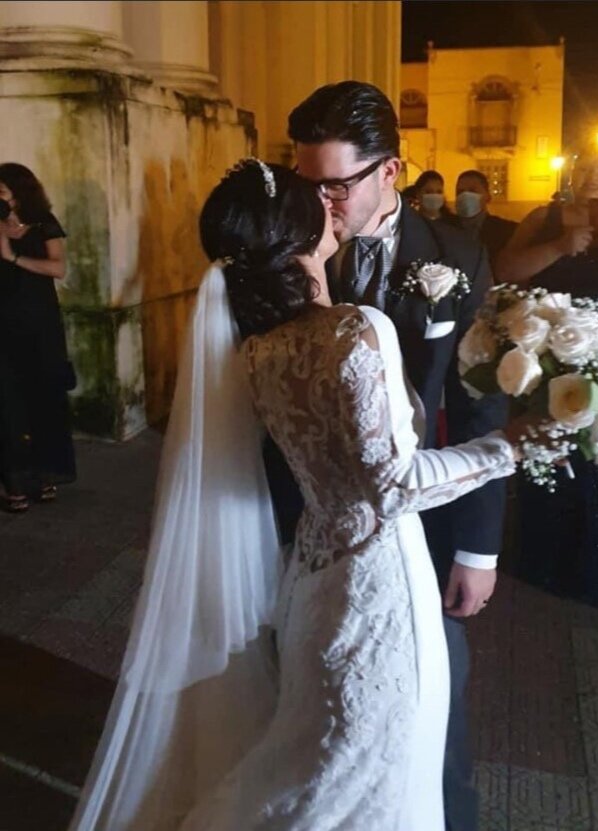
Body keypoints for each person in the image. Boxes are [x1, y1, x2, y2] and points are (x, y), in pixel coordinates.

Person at [68, 159, 520, 831]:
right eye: (316, 199)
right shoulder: (356, 329)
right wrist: (515, 446)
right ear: (295, 230)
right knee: (373, 778)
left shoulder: (259, 351)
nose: (331, 206)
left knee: (319, 760)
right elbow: (393, 486)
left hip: (312, 581)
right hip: (380, 593)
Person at [287, 81, 508, 831]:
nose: (319, 204)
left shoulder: (458, 257)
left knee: (434, 706)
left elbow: (481, 404)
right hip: (315, 521)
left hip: (422, 516)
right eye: (306, 184)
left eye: (335, 186)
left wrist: (478, 548)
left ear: (390, 170)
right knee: (319, 706)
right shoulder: (290, 251)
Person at [497, 143, 598, 608]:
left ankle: (592, 569)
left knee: (591, 461)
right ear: (571, 174)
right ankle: (539, 561)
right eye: (586, 168)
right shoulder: (542, 219)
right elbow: (503, 271)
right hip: (543, 356)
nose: (595, 177)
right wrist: (558, 247)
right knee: (543, 453)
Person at [0, 162, 75, 512]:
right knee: (7, 403)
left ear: (19, 192)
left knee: (43, 397)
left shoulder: (45, 223)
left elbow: (58, 268)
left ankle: (44, 476)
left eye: (2, 191)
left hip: (39, 325)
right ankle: (14, 482)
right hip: (4, 326)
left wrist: (13, 257)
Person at [454, 169, 517, 278]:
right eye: (460, 192)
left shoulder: (507, 231)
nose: (465, 195)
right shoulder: (445, 230)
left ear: (488, 196)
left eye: (473, 190)